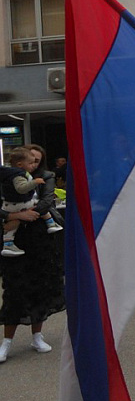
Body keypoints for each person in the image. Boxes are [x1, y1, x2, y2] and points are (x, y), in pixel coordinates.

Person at [0, 145, 65, 363]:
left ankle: (37, 335)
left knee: (40, 287)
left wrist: (30, 213)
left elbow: (47, 200)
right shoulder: (9, 177)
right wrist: (16, 214)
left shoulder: (45, 177)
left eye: (37, 160)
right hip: (15, 237)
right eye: (31, 159)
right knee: (14, 289)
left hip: (39, 238)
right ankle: (6, 341)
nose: (34, 164)